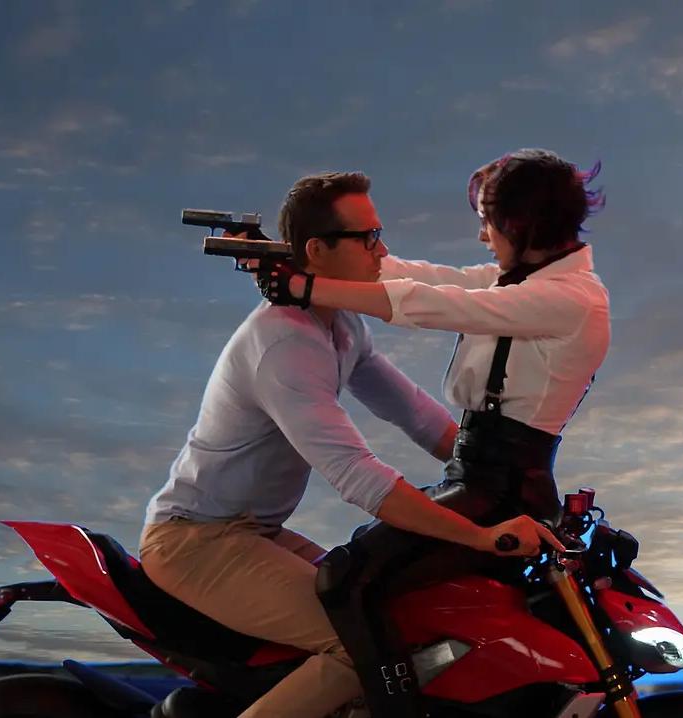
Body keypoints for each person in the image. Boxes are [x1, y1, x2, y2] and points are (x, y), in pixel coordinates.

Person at [140, 171, 562, 718]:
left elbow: (417, 416)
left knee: (394, 607)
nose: (381, 251)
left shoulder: (342, 327)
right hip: (196, 540)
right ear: (317, 251)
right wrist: (482, 536)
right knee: (358, 644)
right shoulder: (283, 346)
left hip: (254, 531)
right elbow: (359, 477)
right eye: (367, 238)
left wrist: (506, 478)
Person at [255, 149, 609, 716]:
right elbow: (422, 277)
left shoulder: (570, 299)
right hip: (481, 481)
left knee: (346, 581)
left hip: (500, 491)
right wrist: (291, 259)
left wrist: (305, 288)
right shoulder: (520, 280)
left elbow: (435, 304)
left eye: (488, 221)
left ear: (521, 224)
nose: (482, 235)